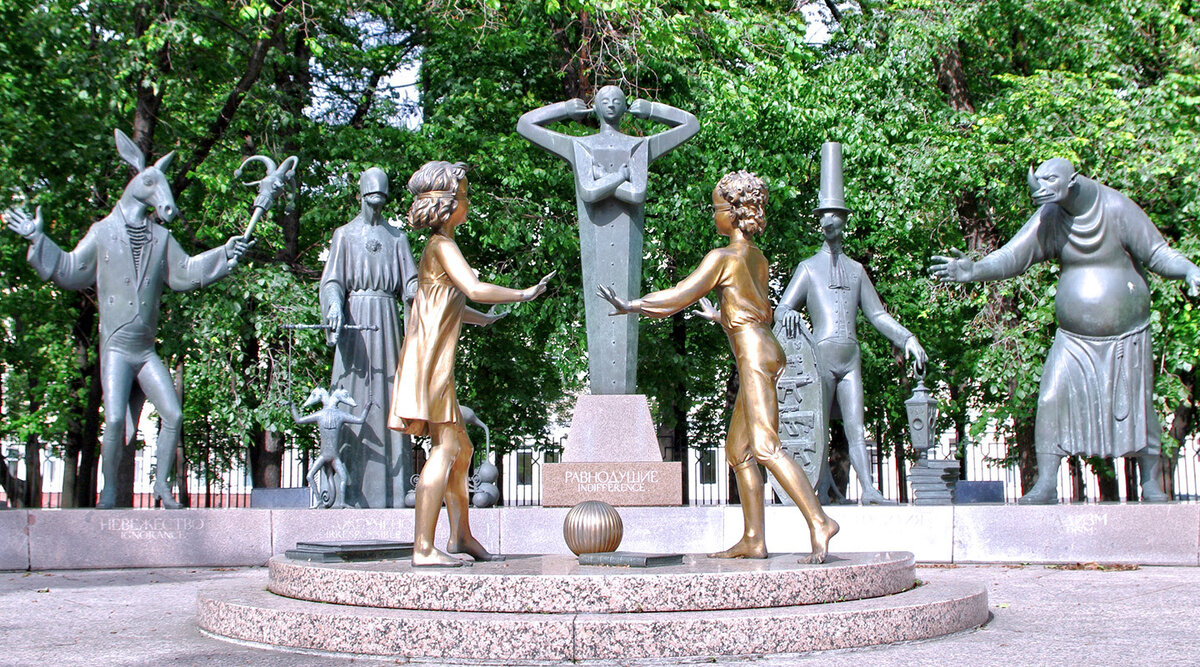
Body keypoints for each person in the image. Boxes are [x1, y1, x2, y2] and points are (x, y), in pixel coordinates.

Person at [598, 170, 839, 563]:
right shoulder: (757, 258)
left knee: (765, 447)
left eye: (716, 208)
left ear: (733, 212)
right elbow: (759, 310)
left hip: (754, 355)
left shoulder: (723, 258)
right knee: (738, 452)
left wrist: (632, 305)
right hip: (765, 347)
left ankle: (819, 521)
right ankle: (753, 539)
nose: (714, 215)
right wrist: (722, 315)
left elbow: (679, 295)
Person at [930, 157, 1200, 503]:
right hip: (1074, 339)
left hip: (1126, 336)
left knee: (1138, 407)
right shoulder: (1052, 215)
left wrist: (1188, 269)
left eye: (1048, 182)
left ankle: (1151, 483)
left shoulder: (1116, 208)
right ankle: (1046, 483)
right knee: (1051, 397)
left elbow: (1158, 253)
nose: (1040, 190)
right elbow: (1014, 255)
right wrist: (974, 270)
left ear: (1072, 181)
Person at [388, 161, 554, 567]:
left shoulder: (437, 248)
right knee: (445, 449)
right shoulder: (443, 247)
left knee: (462, 449)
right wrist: (524, 293)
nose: (467, 201)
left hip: (431, 362)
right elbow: (474, 289)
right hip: (431, 364)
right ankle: (423, 548)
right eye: (463, 195)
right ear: (446, 204)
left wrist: (486, 319)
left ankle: (460, 536)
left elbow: (448, 305)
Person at [775, 142, 927, 505]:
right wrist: (790, 313)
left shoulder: (857, 270)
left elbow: (877, 315)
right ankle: (818, 488)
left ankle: (869, 490)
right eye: (823, 215)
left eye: (835, 215)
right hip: (821, 358)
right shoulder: (808, 268)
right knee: (818, 429)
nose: (828, 221)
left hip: (850, 358)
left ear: (844, 220)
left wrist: (907, 338)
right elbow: (781, 309)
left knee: (857, 426)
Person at [320, 168, 427, 508]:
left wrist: (415, 290)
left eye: (381, 199)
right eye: (371, 198)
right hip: (354, 324)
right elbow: (332, 281)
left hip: (386, 323)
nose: (375, 205)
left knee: (389, 395)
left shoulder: (397, 238)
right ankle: (345, 493)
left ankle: (392, 494)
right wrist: (334, 306)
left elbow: (410, 281)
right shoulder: (344, 236)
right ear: (361, 196)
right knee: (350, 394)